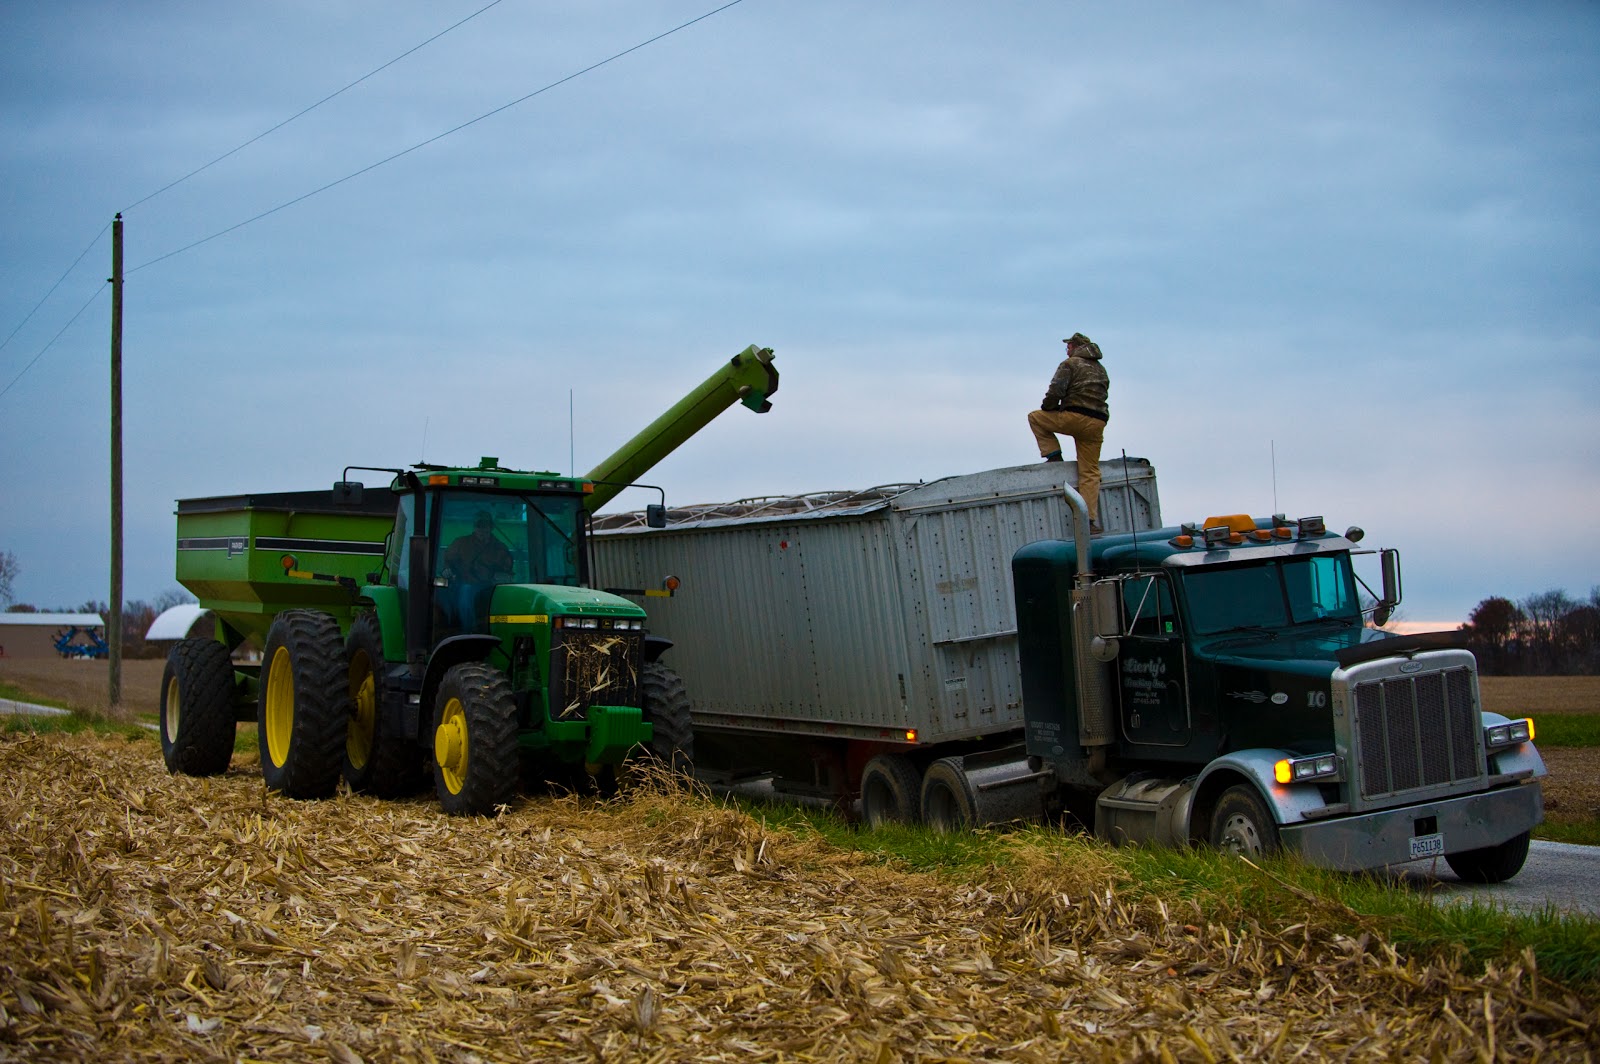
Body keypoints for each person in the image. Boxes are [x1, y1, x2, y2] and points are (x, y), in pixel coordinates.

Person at [1028, 332, 1110, 533]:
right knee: (1090, 472)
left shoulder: (1070, 364)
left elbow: (1056, 390)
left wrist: (1048, 407)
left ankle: (1054, 456)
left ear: (1075, 347)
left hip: (1074, 417)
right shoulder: (1100, 369)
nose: (1067, 349)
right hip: (1097, 422)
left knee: (1035, 418)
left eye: (1069, 346)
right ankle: (1089, 521)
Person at [441, 510, 514, 629]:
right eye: (479, 526)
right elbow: (447, 561)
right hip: (466, 585)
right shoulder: (461, 543)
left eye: (485, 526)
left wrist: (504, 576)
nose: (482, 530)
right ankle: (467, 631)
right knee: (466, 592)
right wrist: (446, 569)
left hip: (491, 589)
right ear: (474, 527)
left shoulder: (500, 548)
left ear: (491, 527)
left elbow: (508, 571)